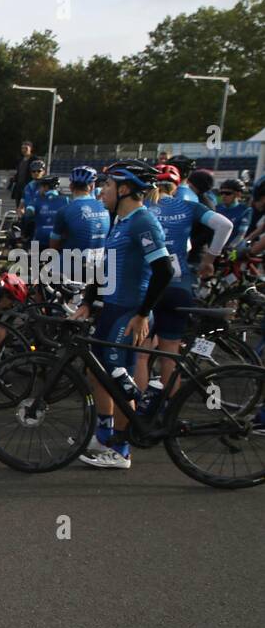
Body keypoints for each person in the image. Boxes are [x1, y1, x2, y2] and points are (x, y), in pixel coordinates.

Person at [73, 160, 174, 470]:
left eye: (108, 185)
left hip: (129, 313)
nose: (102, 190)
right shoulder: (121, 221)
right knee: (97, 374)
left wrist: (143, 314)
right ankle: (105, 435)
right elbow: (103, 267)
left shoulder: (143, 221)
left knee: (118, 381)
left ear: (125, 189)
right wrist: (88, 302)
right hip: (111, 309)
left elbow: (164, 269)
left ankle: (122, 448)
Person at [143, 164, 233, 395]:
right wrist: (209, 260)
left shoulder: (143, 207)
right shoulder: (188, 205)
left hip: (149, 286)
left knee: (140, 356)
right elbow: (225, 225)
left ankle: (133, 416)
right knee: (170, 355)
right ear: (177, 186)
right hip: (179, 285)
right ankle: (166, 414)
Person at [50, 165, 110, 288]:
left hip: (70, 267)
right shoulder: (106, 207)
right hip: (99, 267)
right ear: (92, 186)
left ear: (71, 187)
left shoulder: (64, 210)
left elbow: (53, 246)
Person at [216, 178, 252, 249]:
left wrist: (229, 248)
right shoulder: (216, 208)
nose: (223, 196)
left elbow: (241, 234)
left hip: (231, 249)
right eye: (221, 193)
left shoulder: (246, 210)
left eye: (228, 193)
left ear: (238, 194)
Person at [9, 140, 35, 208]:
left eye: (26, 148)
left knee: (28, 205)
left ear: (31, 148)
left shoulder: (34, 159)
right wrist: (14, 179)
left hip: (29, 186)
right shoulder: (20, 160)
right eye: (22, 148)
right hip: (19, 187)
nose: (24, 150)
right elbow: (18, 172)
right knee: (18, 206)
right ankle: (19, 218)